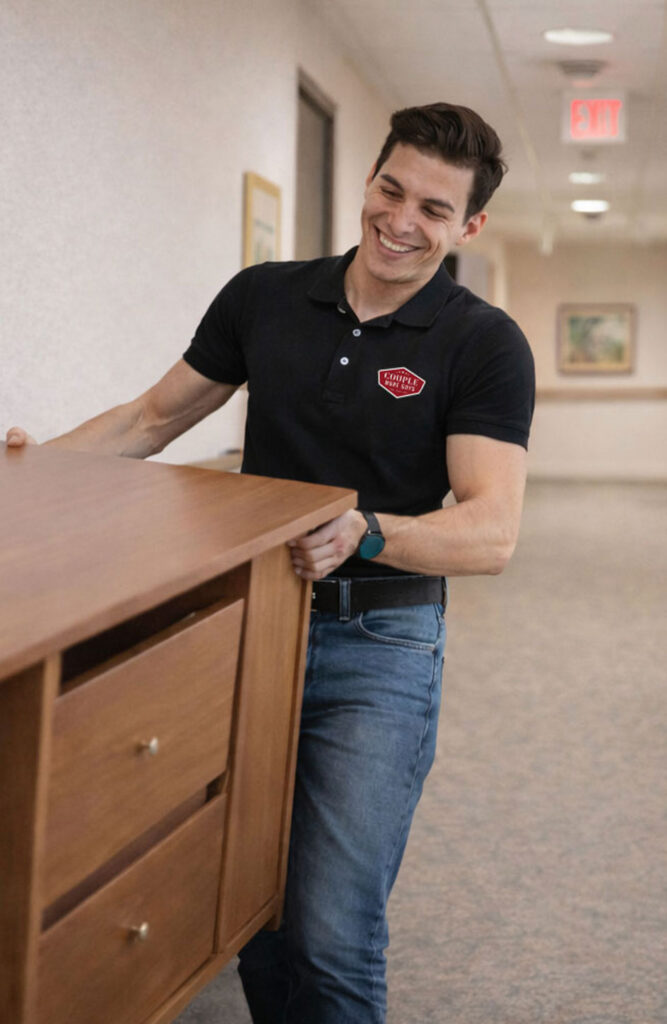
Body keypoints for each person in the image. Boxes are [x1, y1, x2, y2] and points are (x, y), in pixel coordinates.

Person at [6, 102, 535, 1023]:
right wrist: (31, 470)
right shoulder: (265, 296)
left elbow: (491, 532)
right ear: (368, 180)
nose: (400, 222)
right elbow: (149, 420)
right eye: (389, 189)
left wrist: (368, 530)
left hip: (379, 640)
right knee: (251, 904)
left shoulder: (481, 342)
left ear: (470, 226)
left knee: (331, 930)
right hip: (248, 622)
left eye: (434, 210)